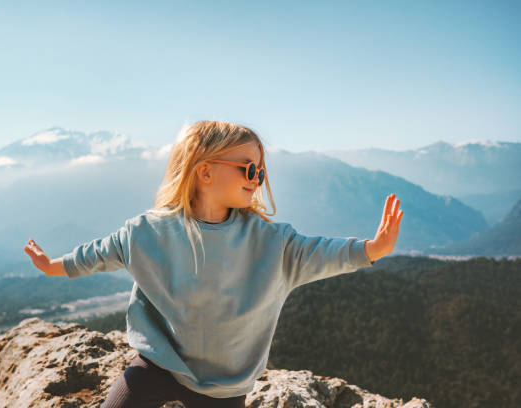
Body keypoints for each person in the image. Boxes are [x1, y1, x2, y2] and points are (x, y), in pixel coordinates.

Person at [24, 120, 403, 408]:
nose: (257, 180)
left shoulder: (273, 242)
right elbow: (98, 254)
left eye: (261, 172)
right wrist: (52, 265)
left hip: (225, 386)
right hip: (158, 364)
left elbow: (321, 252)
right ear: (205, 171)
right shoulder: (148, 232)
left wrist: (373, 248)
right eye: (248, 169)